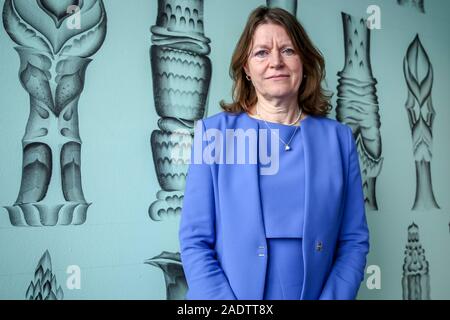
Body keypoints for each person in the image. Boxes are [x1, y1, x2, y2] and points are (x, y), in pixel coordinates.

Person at [179, 6, 369, 300]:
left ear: (304, 62)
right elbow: (195, 241)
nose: (276, 62)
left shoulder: (338, 139)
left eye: (288, 50)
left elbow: (353, 241)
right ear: (246, 68)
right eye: (262, 53)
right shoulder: (214, 135)